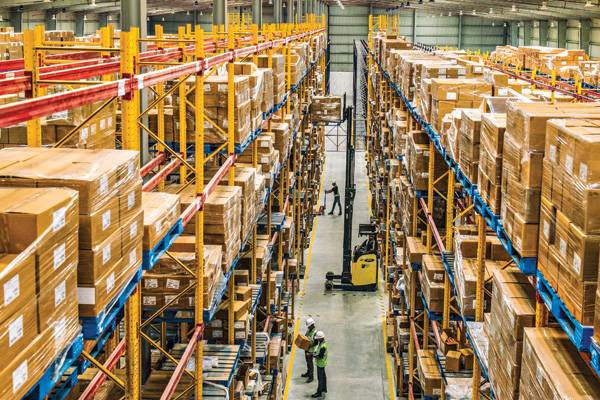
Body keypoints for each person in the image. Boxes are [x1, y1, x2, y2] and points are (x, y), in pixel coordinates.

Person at [311, 331, 328, 398]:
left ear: (321, 338)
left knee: (320, 378)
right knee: (323, 377)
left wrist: (312, 355)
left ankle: (319, 392)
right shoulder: (322, 343)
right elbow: (318, 350)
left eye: (318, 339)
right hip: (322, 363)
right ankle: (324, 389)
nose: (317, 340)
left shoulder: (323, 346)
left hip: (320, 364)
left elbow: (320, 356)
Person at [301, 318, 317, 383]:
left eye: (309, 326)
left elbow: (316, 343)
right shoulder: (308, 330)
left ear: (312, 325)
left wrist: (309, 345)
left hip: (311, 350)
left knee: (310, 363)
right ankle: (308, 373)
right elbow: (305, 337)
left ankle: (311, 377)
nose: (308, 327)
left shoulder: (315, 332)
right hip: (306, 349)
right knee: (307, 362)